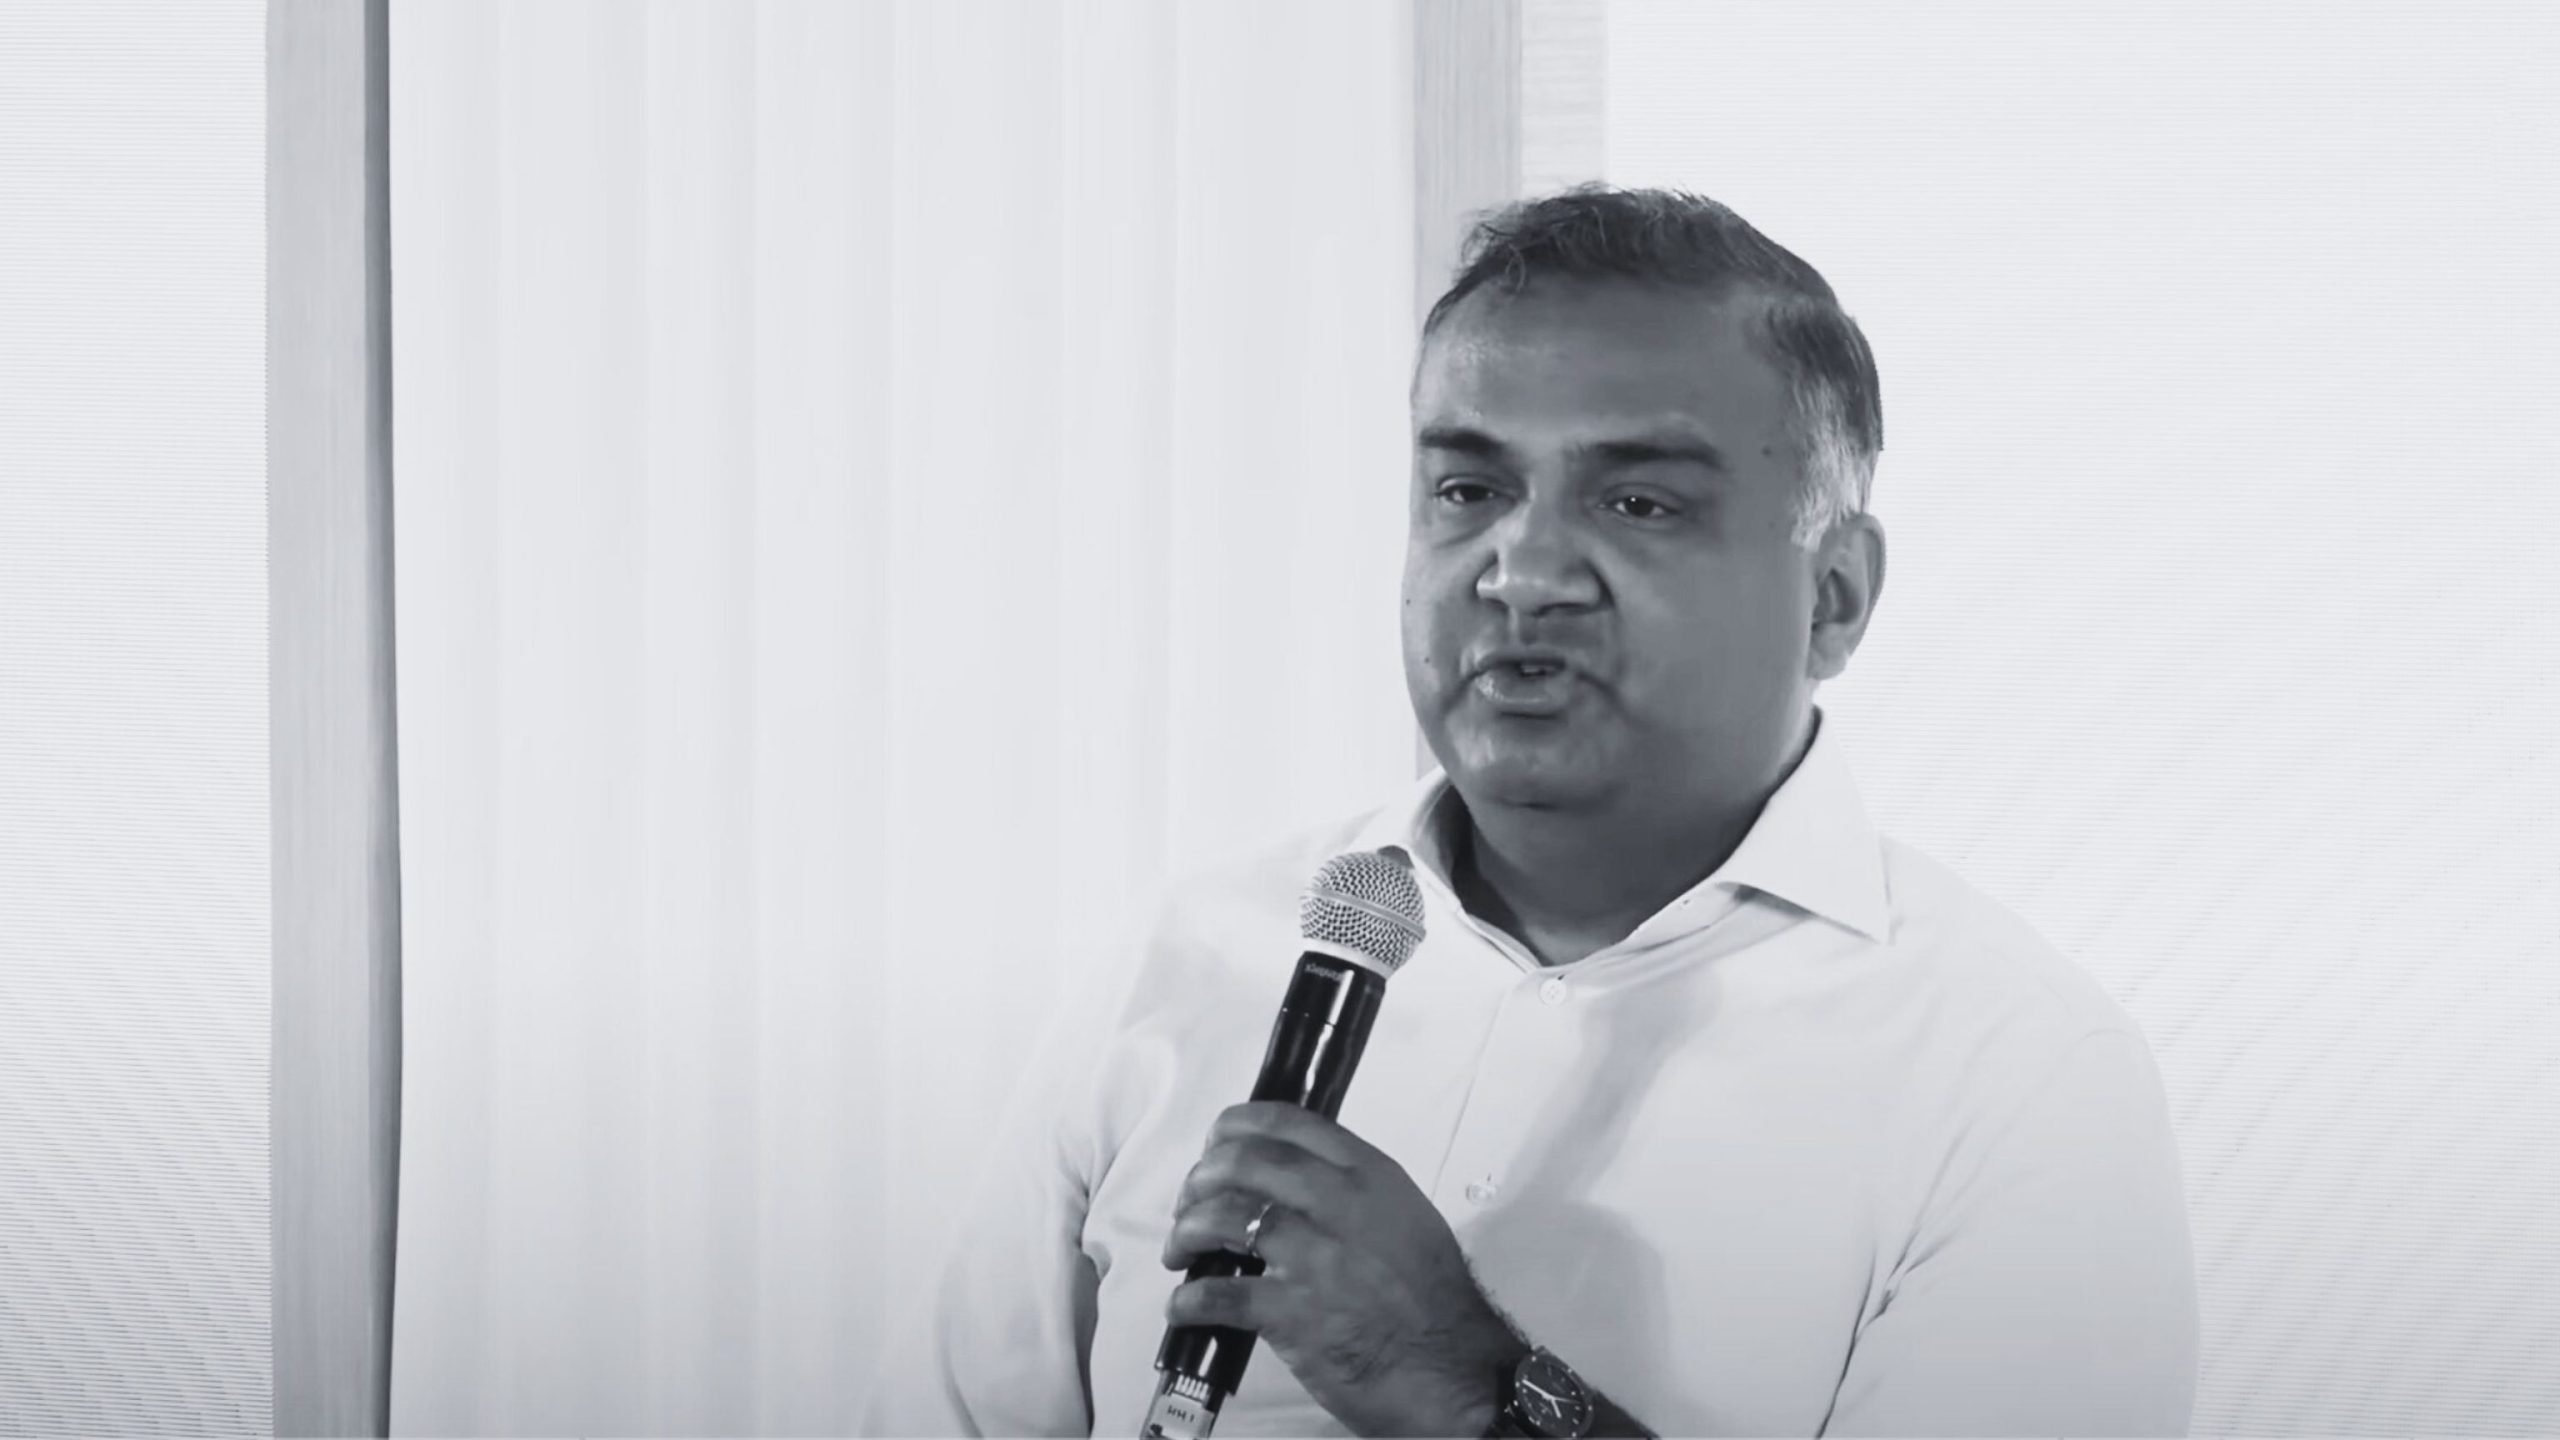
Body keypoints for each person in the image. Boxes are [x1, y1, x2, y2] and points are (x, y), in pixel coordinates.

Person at [860, 186, 2199, 1438]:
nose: (1522, 571)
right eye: (1469, 490)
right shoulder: (1195, 957)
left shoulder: (2019, 1076)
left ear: (1835, 595)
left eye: (1637, 500)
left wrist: (1457, 1380)